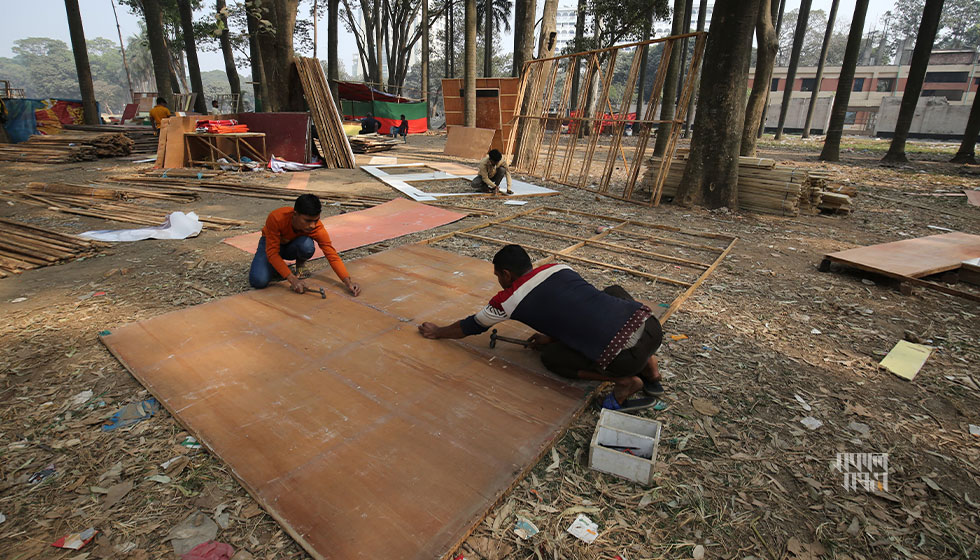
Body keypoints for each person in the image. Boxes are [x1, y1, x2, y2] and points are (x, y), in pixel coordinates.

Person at [418, 244, 664, 411]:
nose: (499, 282)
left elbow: (472, 325)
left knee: (552, 359)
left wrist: (438, 332)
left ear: (506, 274)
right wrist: (550, 336)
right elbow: (577, 310)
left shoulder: (507, 300)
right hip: (651, 327)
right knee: (611, 294)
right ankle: (652, 369)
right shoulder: (558, 267)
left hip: (624, 359)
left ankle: (624, 382)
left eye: (498, 277)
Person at [249, 194, 361, 297]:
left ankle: (298, 263)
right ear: (295, 214)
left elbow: (331, 254)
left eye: (316, 220)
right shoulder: (276, 218)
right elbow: (272, 253)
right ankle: (276, 266)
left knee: (307, 246)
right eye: (307, 221)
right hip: (271, 244)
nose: (312, 225)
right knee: (258, 281)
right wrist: (292, 279)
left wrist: (347, 282)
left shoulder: (317, 227)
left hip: (292, 246)